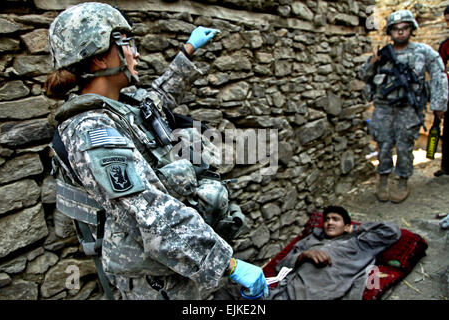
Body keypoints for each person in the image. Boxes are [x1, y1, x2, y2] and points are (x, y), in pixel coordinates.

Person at [44, 2, 268, 300]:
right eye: (126, 44)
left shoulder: (126, 104)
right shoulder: (90, 131)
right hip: (157, 285)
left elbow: (156, 98)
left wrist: (188, 50)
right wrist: (228, 265)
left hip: (180, 265)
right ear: (99, 58)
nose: (135, 53)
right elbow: (147, 212)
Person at [359, 10, 448, 203]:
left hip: (409, 108)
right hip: (383, 107)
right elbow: (363, 76)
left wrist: (439, 104)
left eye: (404, 28)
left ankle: (402, 179)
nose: (400, 33)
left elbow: (439, 76)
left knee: (405, 145)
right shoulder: (383, 53)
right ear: (390, 32)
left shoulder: (424, 52)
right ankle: (383, 177)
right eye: (396, 29)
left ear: (411, 30)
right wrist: (370, 63)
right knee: (383, 144)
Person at [267, 206, 401, 300]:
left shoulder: (358, 242)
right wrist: (304, 255)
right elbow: (281, 266)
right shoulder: (309, 241)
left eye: (335, 219)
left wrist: (356, 228)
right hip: (287, 291)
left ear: (347, 226)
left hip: (321, 291)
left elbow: (391, 231)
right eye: (326, 219)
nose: (329, 222)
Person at [435, 6, 449, 177]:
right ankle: (446, 167)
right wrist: (439, 101)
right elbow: (439, 73)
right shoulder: (445, 46)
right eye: (447, 22)